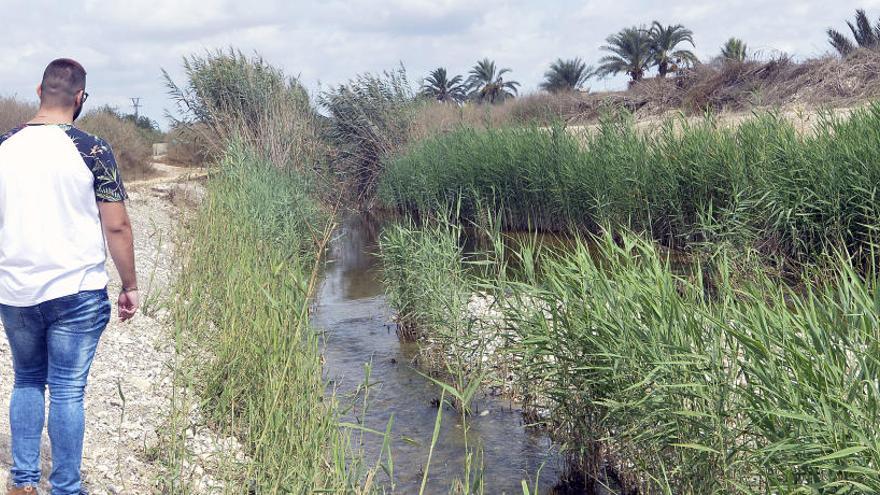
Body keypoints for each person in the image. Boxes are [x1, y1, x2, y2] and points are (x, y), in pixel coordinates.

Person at [0, 59, 138, 495]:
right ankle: (65, 487)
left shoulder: (3, 146)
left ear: (39, 89)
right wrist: (129, 285)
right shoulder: (93, 149)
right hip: (76, 291)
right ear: (80, 98)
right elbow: (116, 225)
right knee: (65, 391)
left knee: (26, 379)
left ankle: (23, 481)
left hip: (15, 289)